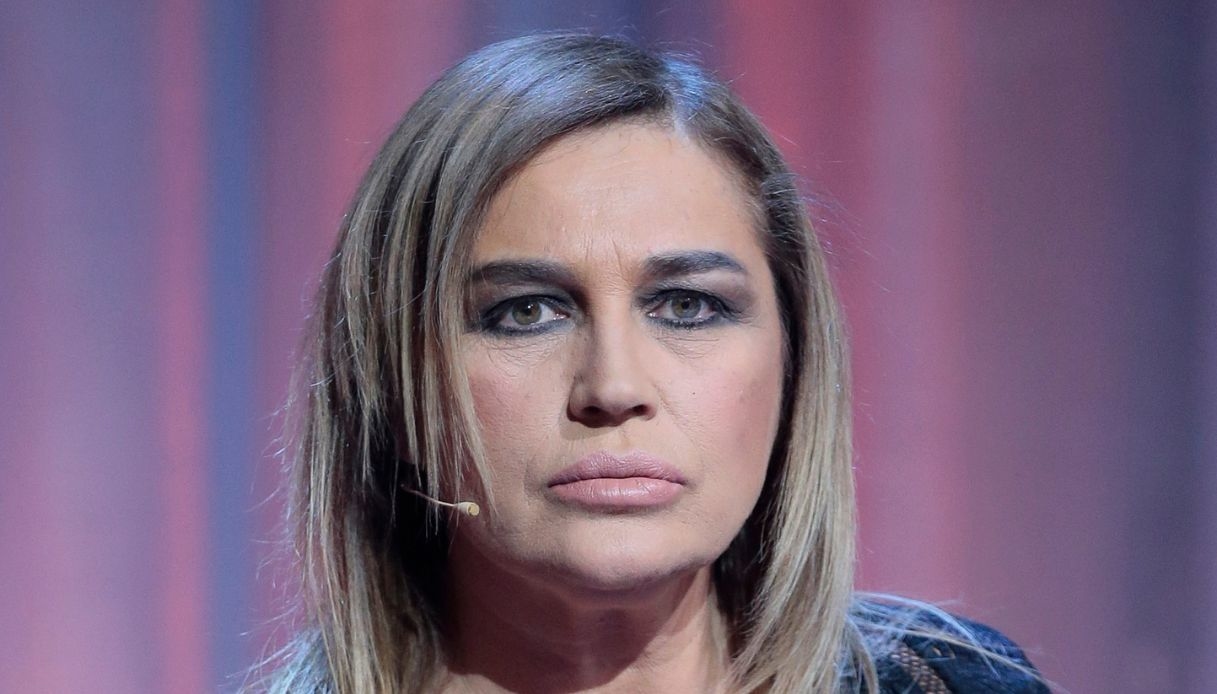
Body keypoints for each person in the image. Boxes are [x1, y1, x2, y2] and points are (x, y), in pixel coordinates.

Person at [255, 33, 1049, 693]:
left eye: (686, 306)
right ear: (389, 384)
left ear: (793, 361)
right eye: (525, 312)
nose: (614, 388)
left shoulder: (946, 682)